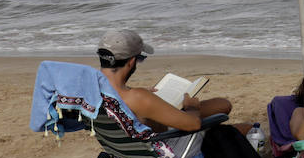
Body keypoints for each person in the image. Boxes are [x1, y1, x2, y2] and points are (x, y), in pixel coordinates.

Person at [96, 29, 233, 133]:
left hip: (124, 151)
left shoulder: (91, 88)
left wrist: (140, 94)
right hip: (168, 151)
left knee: (221, 106)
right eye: (140, 59)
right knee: (227, 116)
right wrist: (192, 108)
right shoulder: (138, 97)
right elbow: (194, 124)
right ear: (131, 62)